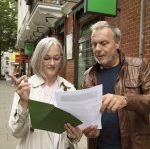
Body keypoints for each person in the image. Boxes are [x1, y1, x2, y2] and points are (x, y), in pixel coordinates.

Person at [81, 21, 150, 149]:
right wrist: (88, 131)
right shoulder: (88, 75)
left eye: (103, 43)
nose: (97, 49)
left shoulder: (139, 66)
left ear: (117, 43)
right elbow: (86, 115)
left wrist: (126, 100)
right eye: (94, 44)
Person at [9, 37, 87, 149]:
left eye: (56, 58)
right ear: (38, 59)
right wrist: (24, 103)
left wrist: (75, 135)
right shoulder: (25, 87)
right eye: (46, 58)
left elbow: (75, 137)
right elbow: (16, 132)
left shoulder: (69, 89)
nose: (52, 63)